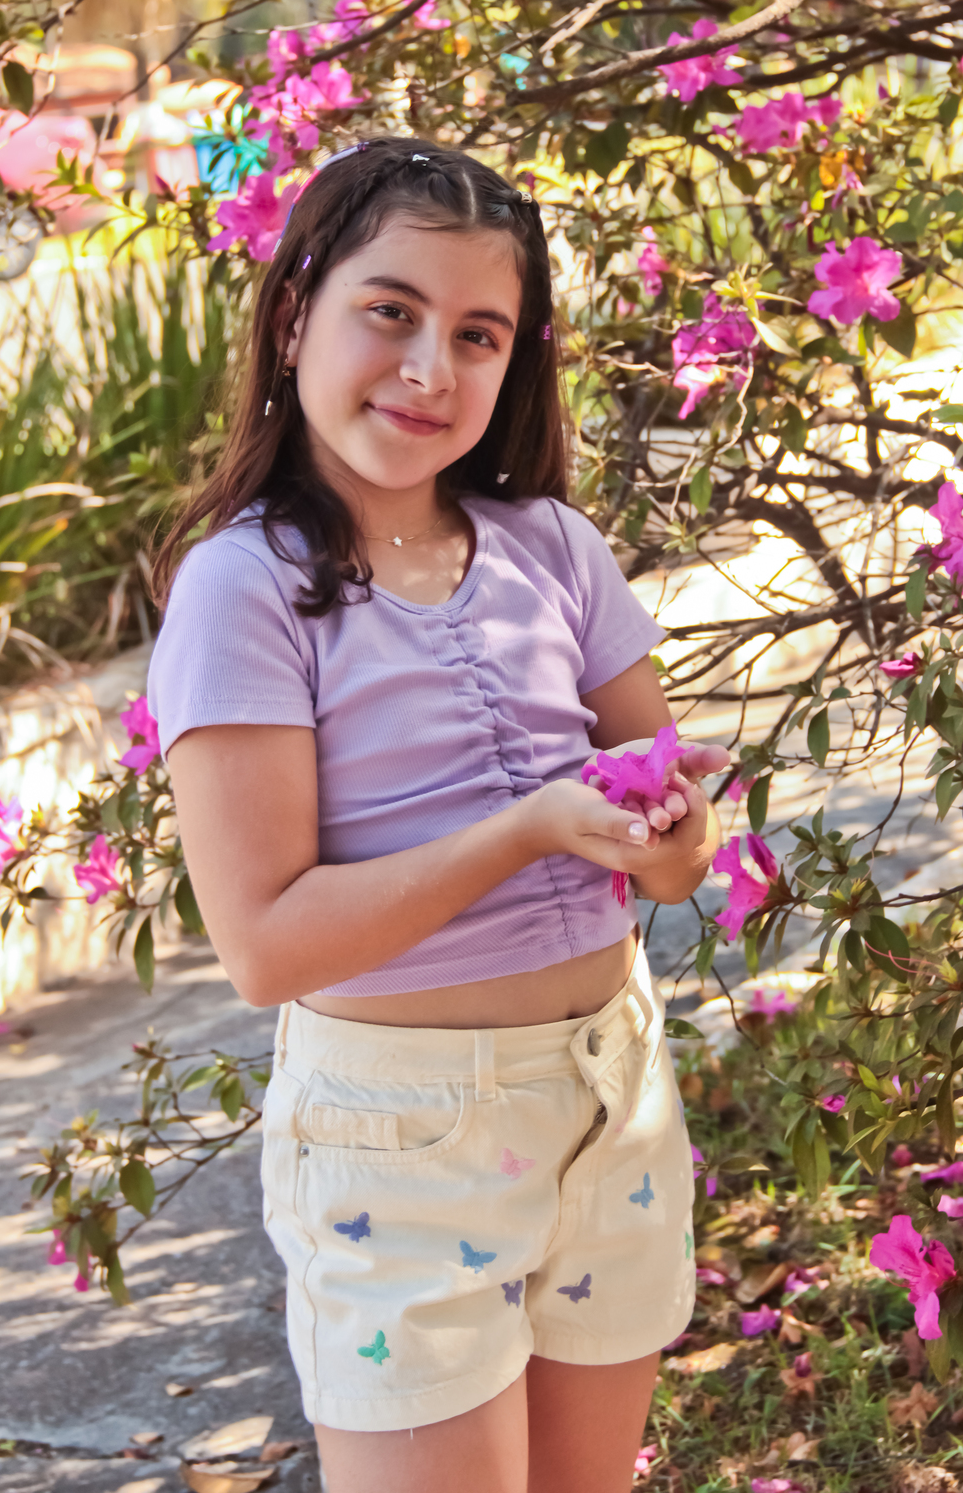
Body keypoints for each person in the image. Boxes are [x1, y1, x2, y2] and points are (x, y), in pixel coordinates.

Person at [146, 137, 728, 1493]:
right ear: (295, 315)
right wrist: (525, 831)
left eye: (478, 335)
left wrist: (676, 835)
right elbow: (267, 948)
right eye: (390, 312)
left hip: (612, 1098)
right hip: (399, 1150)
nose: (430, 370)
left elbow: (666, 845)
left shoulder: (553, 548)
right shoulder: (244, 588)